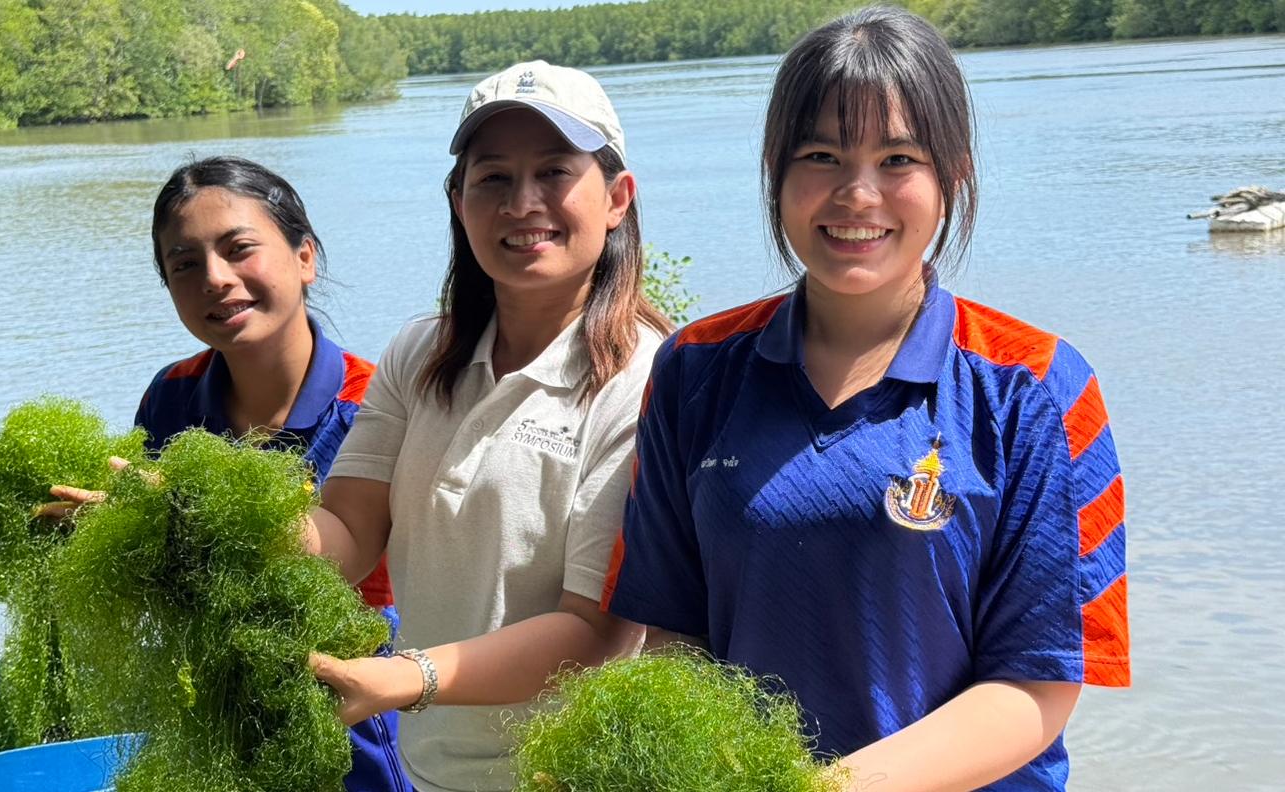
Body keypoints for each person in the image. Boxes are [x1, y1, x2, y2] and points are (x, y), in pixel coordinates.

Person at [601, 7, 1130, 791]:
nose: (857, 195)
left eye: (897, 159)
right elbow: (674, 635)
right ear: (776, 172)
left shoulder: (1038, 387)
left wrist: (822, 788)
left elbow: (1038, 689)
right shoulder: (695, 369)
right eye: (821, 155)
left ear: (953, 175)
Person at [305, 61, 671, 792]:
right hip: (434, 766)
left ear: (617, 198)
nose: (522, 203)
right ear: (458, 200)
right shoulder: (421, 352)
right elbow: (345, 536)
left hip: (571, 774)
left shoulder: (647, 380)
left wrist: (408, 676)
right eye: (494, 178)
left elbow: (594, 631)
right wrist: (194, 517)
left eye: (555, 172)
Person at [57, 156, 411, 792]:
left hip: (361, 708)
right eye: (184, 265)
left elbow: (353, 565)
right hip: (218, 715)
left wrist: (188, 504)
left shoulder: (378, 403)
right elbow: (174, 571)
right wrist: (107, 532)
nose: (215, 280)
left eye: (239, 248)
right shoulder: (172, 394)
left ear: (305, 257)